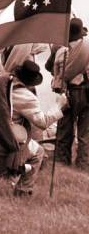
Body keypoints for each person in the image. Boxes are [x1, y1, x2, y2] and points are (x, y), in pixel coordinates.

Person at [0, 60, 68, 196]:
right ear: (31, 81)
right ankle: (22, 191)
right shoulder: (27, 97)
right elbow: (43, 122)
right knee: (38, 152)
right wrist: (59, 106)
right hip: (3, 141)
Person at [50, 18, 89, 170]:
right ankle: (83, 166)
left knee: (64, 131)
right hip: (86, 94)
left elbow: (57, 80)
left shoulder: (60, 52)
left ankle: (61, 163)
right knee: (85, 134)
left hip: (68, 94)